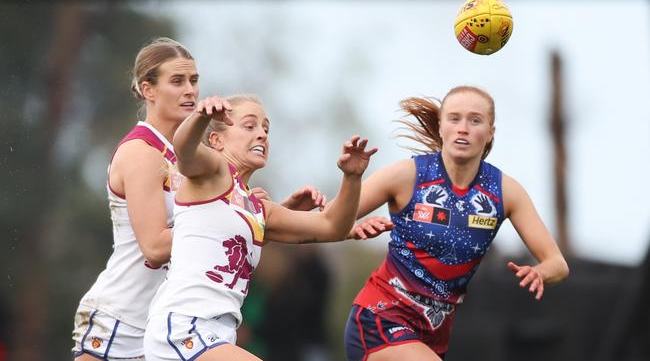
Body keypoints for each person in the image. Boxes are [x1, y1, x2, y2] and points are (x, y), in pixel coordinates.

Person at [70, 38, 324, 361]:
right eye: (177, 81)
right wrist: (228, 217)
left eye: (193, 80)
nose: (190, 90)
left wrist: (259, 214)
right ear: (148, 90)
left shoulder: (189, 155)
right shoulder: (141, 152)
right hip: (121, 323)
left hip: (169, 328)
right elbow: (155, 246)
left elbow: (216, 234)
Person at [143, 94, 377, 361]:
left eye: (266, 129)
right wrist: (200, 115)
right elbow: (184, 152)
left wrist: (352, 177)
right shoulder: (212, 171)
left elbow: (332, 225)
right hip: (184, 327)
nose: (262, 135)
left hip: (217, 335)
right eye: (250, 126)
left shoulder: (258, 208)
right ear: (217, 141)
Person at [343, 86, 570, 361]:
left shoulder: (505, 191)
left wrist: (541, 272)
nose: (463, 128)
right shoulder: (407, 175)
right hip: (379, 319)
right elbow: (330, 221)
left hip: (432, 335)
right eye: (454, 118)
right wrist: (350, 224)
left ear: (490, 132)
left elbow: (558, 263)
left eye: (475, 120)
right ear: (441, 127)